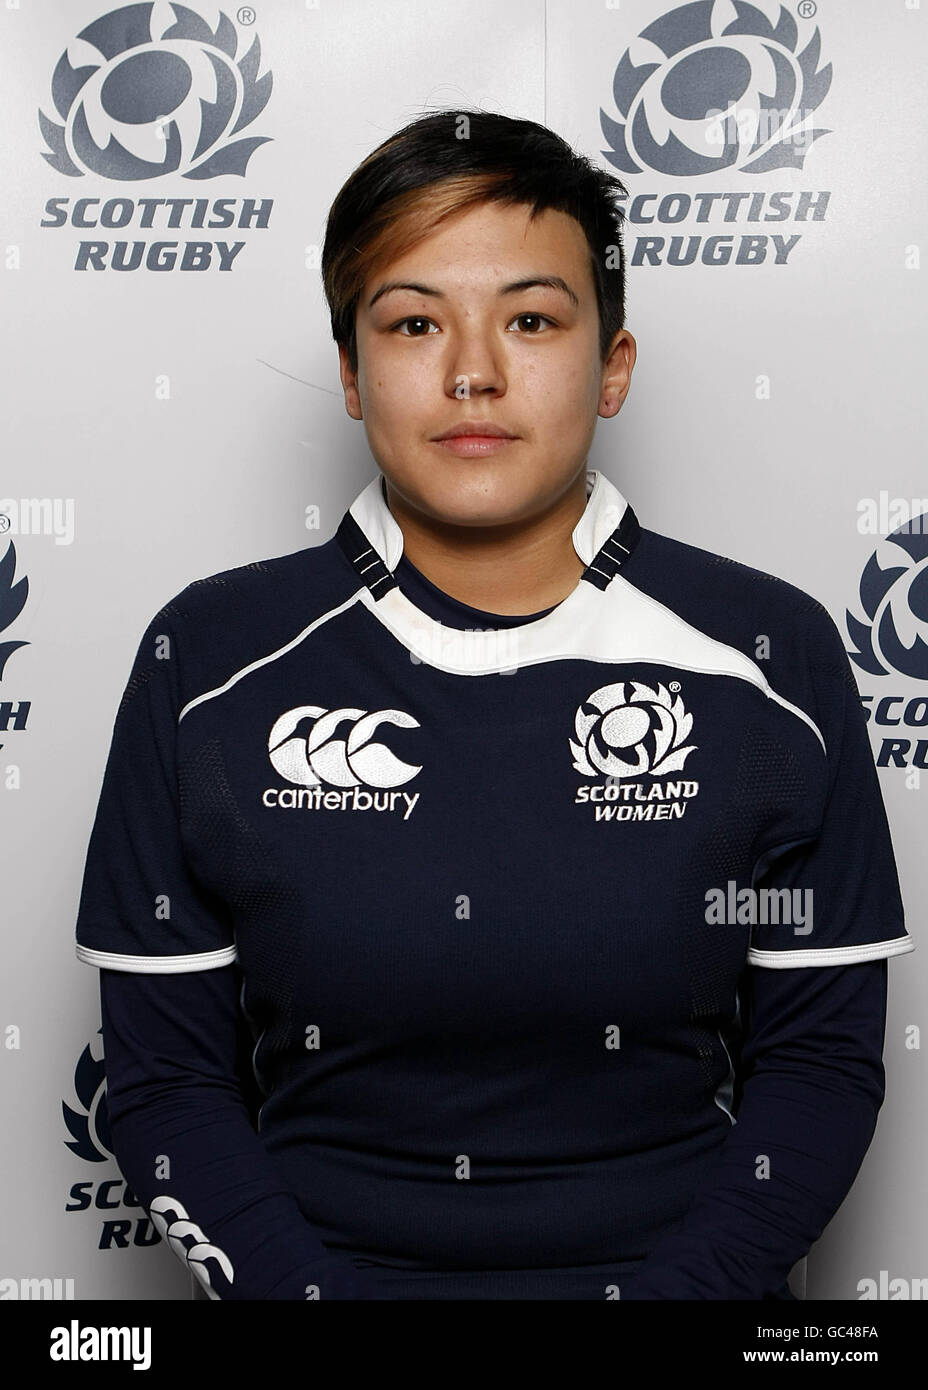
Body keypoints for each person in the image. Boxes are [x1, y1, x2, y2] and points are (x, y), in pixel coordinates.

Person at [74, 108, 914, 1301]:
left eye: (531, 318)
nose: (473, 369)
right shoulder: (206, 660)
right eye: (414, 323)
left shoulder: (769, 658)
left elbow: (820, 1060)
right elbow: (163, 1082)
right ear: (354, 376)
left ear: (612, 366)